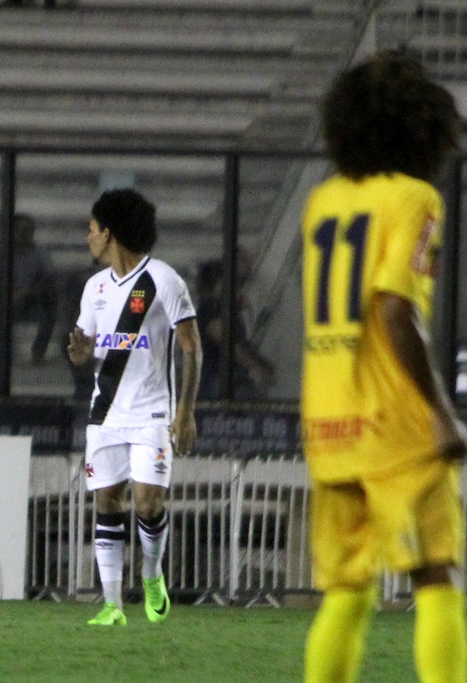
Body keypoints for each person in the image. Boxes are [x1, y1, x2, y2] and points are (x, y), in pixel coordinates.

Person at [300, 51, 466, 683]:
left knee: (348, 592)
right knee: (435, 577)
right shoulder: (415, 198)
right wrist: (440, 413)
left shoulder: (324, 201)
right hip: (394, 426)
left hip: (329, 423)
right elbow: (396, 310)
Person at [66, 188, 202, 627]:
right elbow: (86, 350)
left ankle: (151, 575)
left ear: (109, 233)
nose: (88, 237)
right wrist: (80, 354)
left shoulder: (163, 279)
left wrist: (185, 412)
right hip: (105, 413)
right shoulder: (94, 288)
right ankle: (112, 605)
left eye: (91, 229)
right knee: (107, 501)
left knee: (147, 502)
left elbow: (191, 347)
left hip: (152, 414)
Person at [194, 253, 275, 401]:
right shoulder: (212, 308)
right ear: (219, 283)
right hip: (220, 382)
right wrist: (256, 366)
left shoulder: (216, 308)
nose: (237, 287)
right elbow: (226, 341)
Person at [0, 213, 58, 364]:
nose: (24, 234)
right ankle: (0, 351)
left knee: (50, 309)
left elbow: (49, 280)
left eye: (28, 230)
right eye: (20, 230)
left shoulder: (40, 252)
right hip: (8, 299)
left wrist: (25, 292)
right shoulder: (4, 252)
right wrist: (9, 293)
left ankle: (38, 352)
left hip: (33, 299)